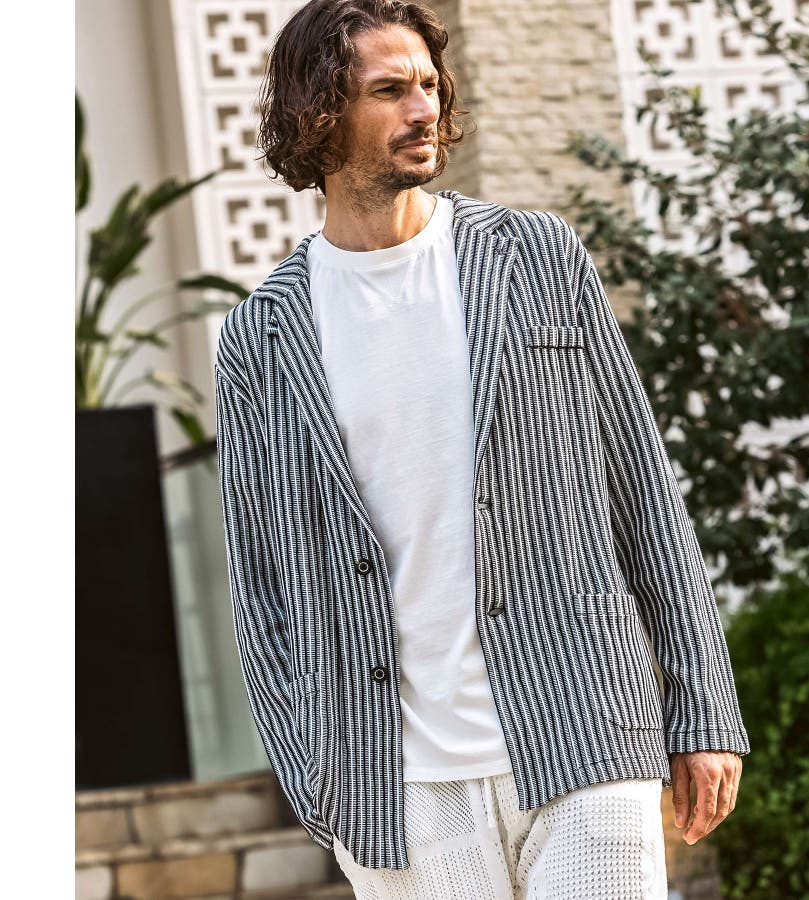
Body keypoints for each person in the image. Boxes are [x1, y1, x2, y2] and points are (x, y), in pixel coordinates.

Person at [214, 1, 750, 897]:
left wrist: (703, 706)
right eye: (390, 90)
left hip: (582, 727)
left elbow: (641, 486)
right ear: (320, 112)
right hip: (395, 783)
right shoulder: (263, 335)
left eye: (429, 85)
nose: (424, 109)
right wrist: (315, 778)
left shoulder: (535, 257)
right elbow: (260, 578)